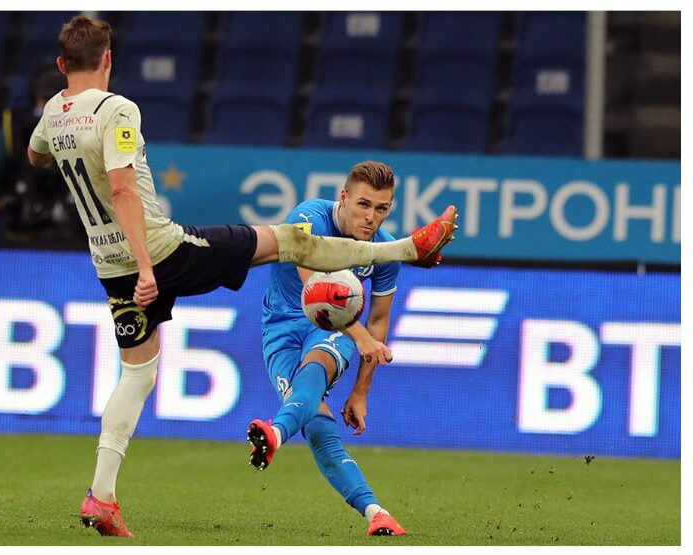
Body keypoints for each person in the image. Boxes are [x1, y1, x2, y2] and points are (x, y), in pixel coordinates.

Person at [27, 15, 458, 538]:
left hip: (108, 265)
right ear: (109, 60)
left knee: (138, 374)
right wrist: (147, 265)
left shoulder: (53, 113)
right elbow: (121, 190)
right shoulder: (118, 108)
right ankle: (408, 248)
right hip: (159, 252)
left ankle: (101, 496)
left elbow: (35, 153)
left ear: (61, 64)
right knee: (290, 240)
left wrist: (68, 148)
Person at [252, 161, 408, 538]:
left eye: (382, 208)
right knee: (317, 423)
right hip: (281, 328)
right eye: (364, 204)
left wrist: (361, 390)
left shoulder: (385, 250)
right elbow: (316, 290)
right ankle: (377, 512)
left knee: (316, 369)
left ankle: (275, 434)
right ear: (344, 198)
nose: (371, 217)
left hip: (331, 328)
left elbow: (378, 322)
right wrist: (362, 336)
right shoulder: (307, 217)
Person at [0, 62, 87, 244]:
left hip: (73, 239)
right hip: (22, 237)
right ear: (35, 98)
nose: (50, 106)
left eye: (57, 99)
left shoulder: (87, 127)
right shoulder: (12, 128)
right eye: (45, 99)